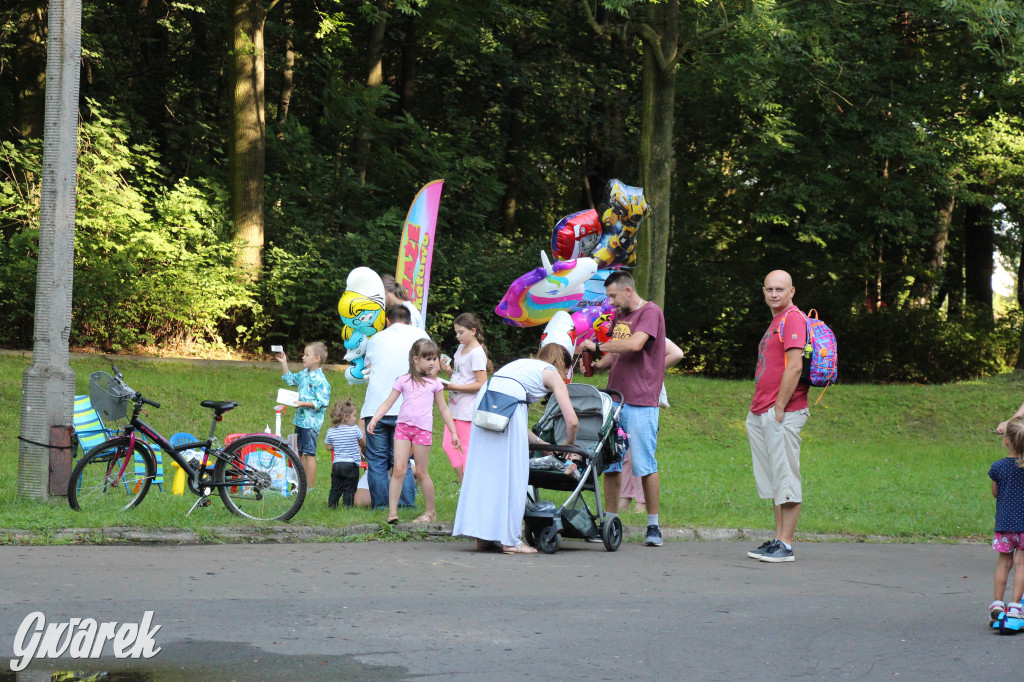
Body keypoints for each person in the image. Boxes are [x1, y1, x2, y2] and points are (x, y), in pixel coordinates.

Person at [453, 339, 578, 554]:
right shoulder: (552, 373)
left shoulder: (523, 365)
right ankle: (510, 541)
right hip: (509, 399)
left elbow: (515, 425)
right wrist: (568, 447)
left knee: (485, 470)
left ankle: (483, 537)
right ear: (564, 365)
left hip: (487, 395)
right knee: (512, 474)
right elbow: (572, 421)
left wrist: (542, 443)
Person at [578, 270, 666, 547]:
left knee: (644, 464)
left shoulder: (650, 312)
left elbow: (635, 344)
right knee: (612, 463)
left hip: (641, 401)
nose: (611, 301)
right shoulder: (619, 316)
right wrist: (596, 364)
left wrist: (598, 344)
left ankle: (653, 526)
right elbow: (616, 355)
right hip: (614, 400)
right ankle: (610, 521)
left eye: (613, 296)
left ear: (628, 290)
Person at [743, 270, 809, 563]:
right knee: (773, 479)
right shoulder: (776, 321)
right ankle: (778, 539)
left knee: (786, 477)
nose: (774, 294)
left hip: (782, 411)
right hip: (762, 410)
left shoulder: (793, 318)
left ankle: (786, 544)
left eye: (780, 289)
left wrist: (779, 407)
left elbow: (794, 367)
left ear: (792, 291)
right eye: (769, 289)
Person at [368, 338, 460, 524]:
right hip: (403, 428)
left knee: (421, 472)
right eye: (428, 358)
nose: (433, 362)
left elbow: (443, 409)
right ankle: (392, 513)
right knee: (399, 469)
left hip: (422, 431)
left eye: (434, 358)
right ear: (416, 359)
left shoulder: (435, 384)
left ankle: (430, 512)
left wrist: (453, 432)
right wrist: (375, 418)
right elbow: (388, 402)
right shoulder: (403, 380)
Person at [358, 305, 427, 508]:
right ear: (409, 321)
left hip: (377, 407)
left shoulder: (376, 339)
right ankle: (405, 504)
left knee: (377, 462)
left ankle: (380, 506)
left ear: (388, 321)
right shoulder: (420, 335)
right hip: (408, 408)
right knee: (402, 461)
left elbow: (368, 367)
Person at [620, 338, 684, 513]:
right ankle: (624, 500)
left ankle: (641, 502)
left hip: (644, 398)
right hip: (623, 396)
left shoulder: (648, 330)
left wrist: (650, 369)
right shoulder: (622, 331)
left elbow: (677, 353)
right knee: (624, 452)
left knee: (640, 453)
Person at [440, 313, 492, 484]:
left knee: (467, 448)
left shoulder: (477, 353)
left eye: (461, 332)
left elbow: (481, 383)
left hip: (467, 410)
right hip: (454, 408)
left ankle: (471, 486)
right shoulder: (461, 348)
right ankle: (466, 483)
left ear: (473, 331)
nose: (457, 336)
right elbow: (461, 374)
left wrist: (453, 387)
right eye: (456, 332)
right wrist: (448, 371)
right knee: (448, 445)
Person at [277, 342, 331, 491]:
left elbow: (322, 402)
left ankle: (310, 487)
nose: (303, 357)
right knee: (298, 452)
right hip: (300, 421)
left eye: (307, 355)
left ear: (317, 358)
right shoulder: (304, 373)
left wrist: (303, 404)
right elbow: (290, 380)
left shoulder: (321, 380)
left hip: (311, 424)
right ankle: (301, 483)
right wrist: (284, 363)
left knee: (310, 453)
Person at [988, 416, 1024, 622]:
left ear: (1006, 441)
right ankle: (1016, 606)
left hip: (1004, 526)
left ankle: (998, 603)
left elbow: (995, 493)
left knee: (1004, 564)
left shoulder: (998, 467)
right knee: (1021, 564)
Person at [324, 398, 365, 508]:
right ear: (346, 417)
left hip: (337, 465)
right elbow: (363, 443)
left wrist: (338, 445)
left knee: (335, 488)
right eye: (354, 416)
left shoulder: (331, 431)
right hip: (351, 464)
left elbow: (328, 447)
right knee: (349, 489)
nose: (355, 419)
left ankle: (332, 506)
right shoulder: (355, 430)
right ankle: (348, 507)